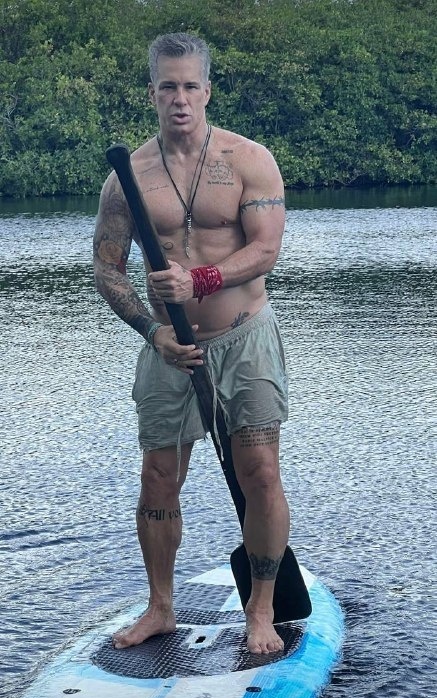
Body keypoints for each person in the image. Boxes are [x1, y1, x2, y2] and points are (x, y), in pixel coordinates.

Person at [93, 32, 289, 655]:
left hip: (244, 338)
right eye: (167, 86)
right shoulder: (127, 178)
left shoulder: (248, 159)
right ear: (152, 92)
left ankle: (262, 609)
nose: (179, 98)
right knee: (158, 479)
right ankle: (160, 608)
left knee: (259, 472)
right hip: (168, 349)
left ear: (207, 90)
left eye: (190, 86)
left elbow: (266, 250)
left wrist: (199, 279)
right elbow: (107, 269)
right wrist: (152, 331)